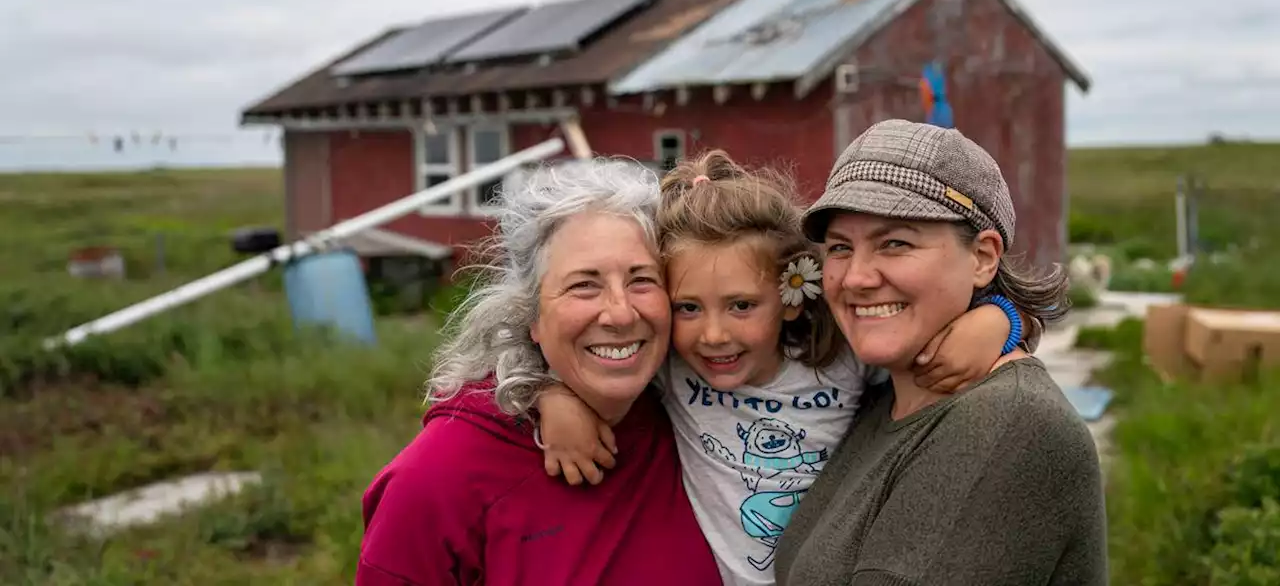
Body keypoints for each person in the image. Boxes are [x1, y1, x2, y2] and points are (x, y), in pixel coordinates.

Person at [535, 149, 1025, 586]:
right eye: (688, 307)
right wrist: (554, 396)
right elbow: (564, 353)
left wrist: (998, 319)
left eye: (742, 305)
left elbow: (920, 334)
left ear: (790, 298)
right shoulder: (673, 368)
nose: (713, 335)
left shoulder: (840, 359)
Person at [356, 158, 723, 585]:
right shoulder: (438, 480)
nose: (621, 313)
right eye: (584, 284)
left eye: (642, 280)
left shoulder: (696, 424)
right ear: (531, 314)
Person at [774, 119, 1108, 585]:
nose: (856, 278)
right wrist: (1013, 319)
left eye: (895, 243)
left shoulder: (1009, 422)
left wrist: (1011, 319)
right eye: (840, 248)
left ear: (983, 256)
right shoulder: (880, 395)